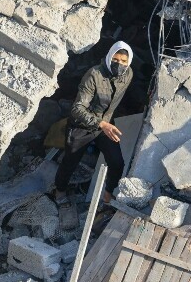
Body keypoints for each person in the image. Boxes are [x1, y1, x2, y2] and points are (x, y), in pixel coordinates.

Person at [54, 41, 134, 229]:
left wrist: (106, 123)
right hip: (83, 126)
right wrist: (101, 123)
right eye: (115, 59)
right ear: (108, 57)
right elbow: (77, 109)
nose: (119, 64)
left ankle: (108, 195)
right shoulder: (94, 75)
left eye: (123, 60)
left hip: (105, 125)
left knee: (117, 162)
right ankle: (60, 191)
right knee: (70, 162)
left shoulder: (128, 74)